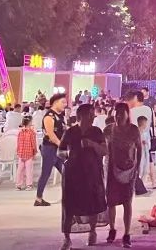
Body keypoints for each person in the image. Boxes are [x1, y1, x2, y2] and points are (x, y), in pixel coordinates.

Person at [58, 103, 107, 250]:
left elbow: (105, 151)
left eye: (93, 114)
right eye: (90, 115)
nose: (92, 117)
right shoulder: (70, 132)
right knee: (70, 205)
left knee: (93, 203)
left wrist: (92, 144)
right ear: (81, 116)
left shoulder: (96, 131)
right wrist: (67, 155)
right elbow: (60, 151)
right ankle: (67, 238)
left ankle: (92, 231)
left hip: (92, 172)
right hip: (73, 174)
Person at [105, 102, 142, 247]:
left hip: (129, 171)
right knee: (111, 202)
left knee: (127, 202)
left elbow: (139, 149)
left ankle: (126, 234)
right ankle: (112, 229)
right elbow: (101, 147)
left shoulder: (133, 130)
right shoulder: (109, 130)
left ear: (127, 114)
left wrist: (138, 168)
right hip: (112, 170)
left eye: (121, 112)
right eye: (116, 112)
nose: (118, 115)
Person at [36, 92, 68, 207]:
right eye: (63, 102)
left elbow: (65, 130)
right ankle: (38, 199)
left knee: (66, 172)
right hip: (49, 149)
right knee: (46, 173)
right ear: (55, 103)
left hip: (58, 150)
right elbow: (51, 135)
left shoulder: (61, 116)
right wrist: (62, 145)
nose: (65, 104)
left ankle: (69, 196)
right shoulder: (49, 117)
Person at [16, 115, 38, 190]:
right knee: (29, 170)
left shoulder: (20, 132)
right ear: (29, 122)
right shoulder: (32, 132)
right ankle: (29, 185)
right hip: (29, 153)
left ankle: (19, 185)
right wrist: (35, 152)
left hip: (21, 153)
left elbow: (18, 143)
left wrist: (18, 151)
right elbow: (33, 143)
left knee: (20, 170)